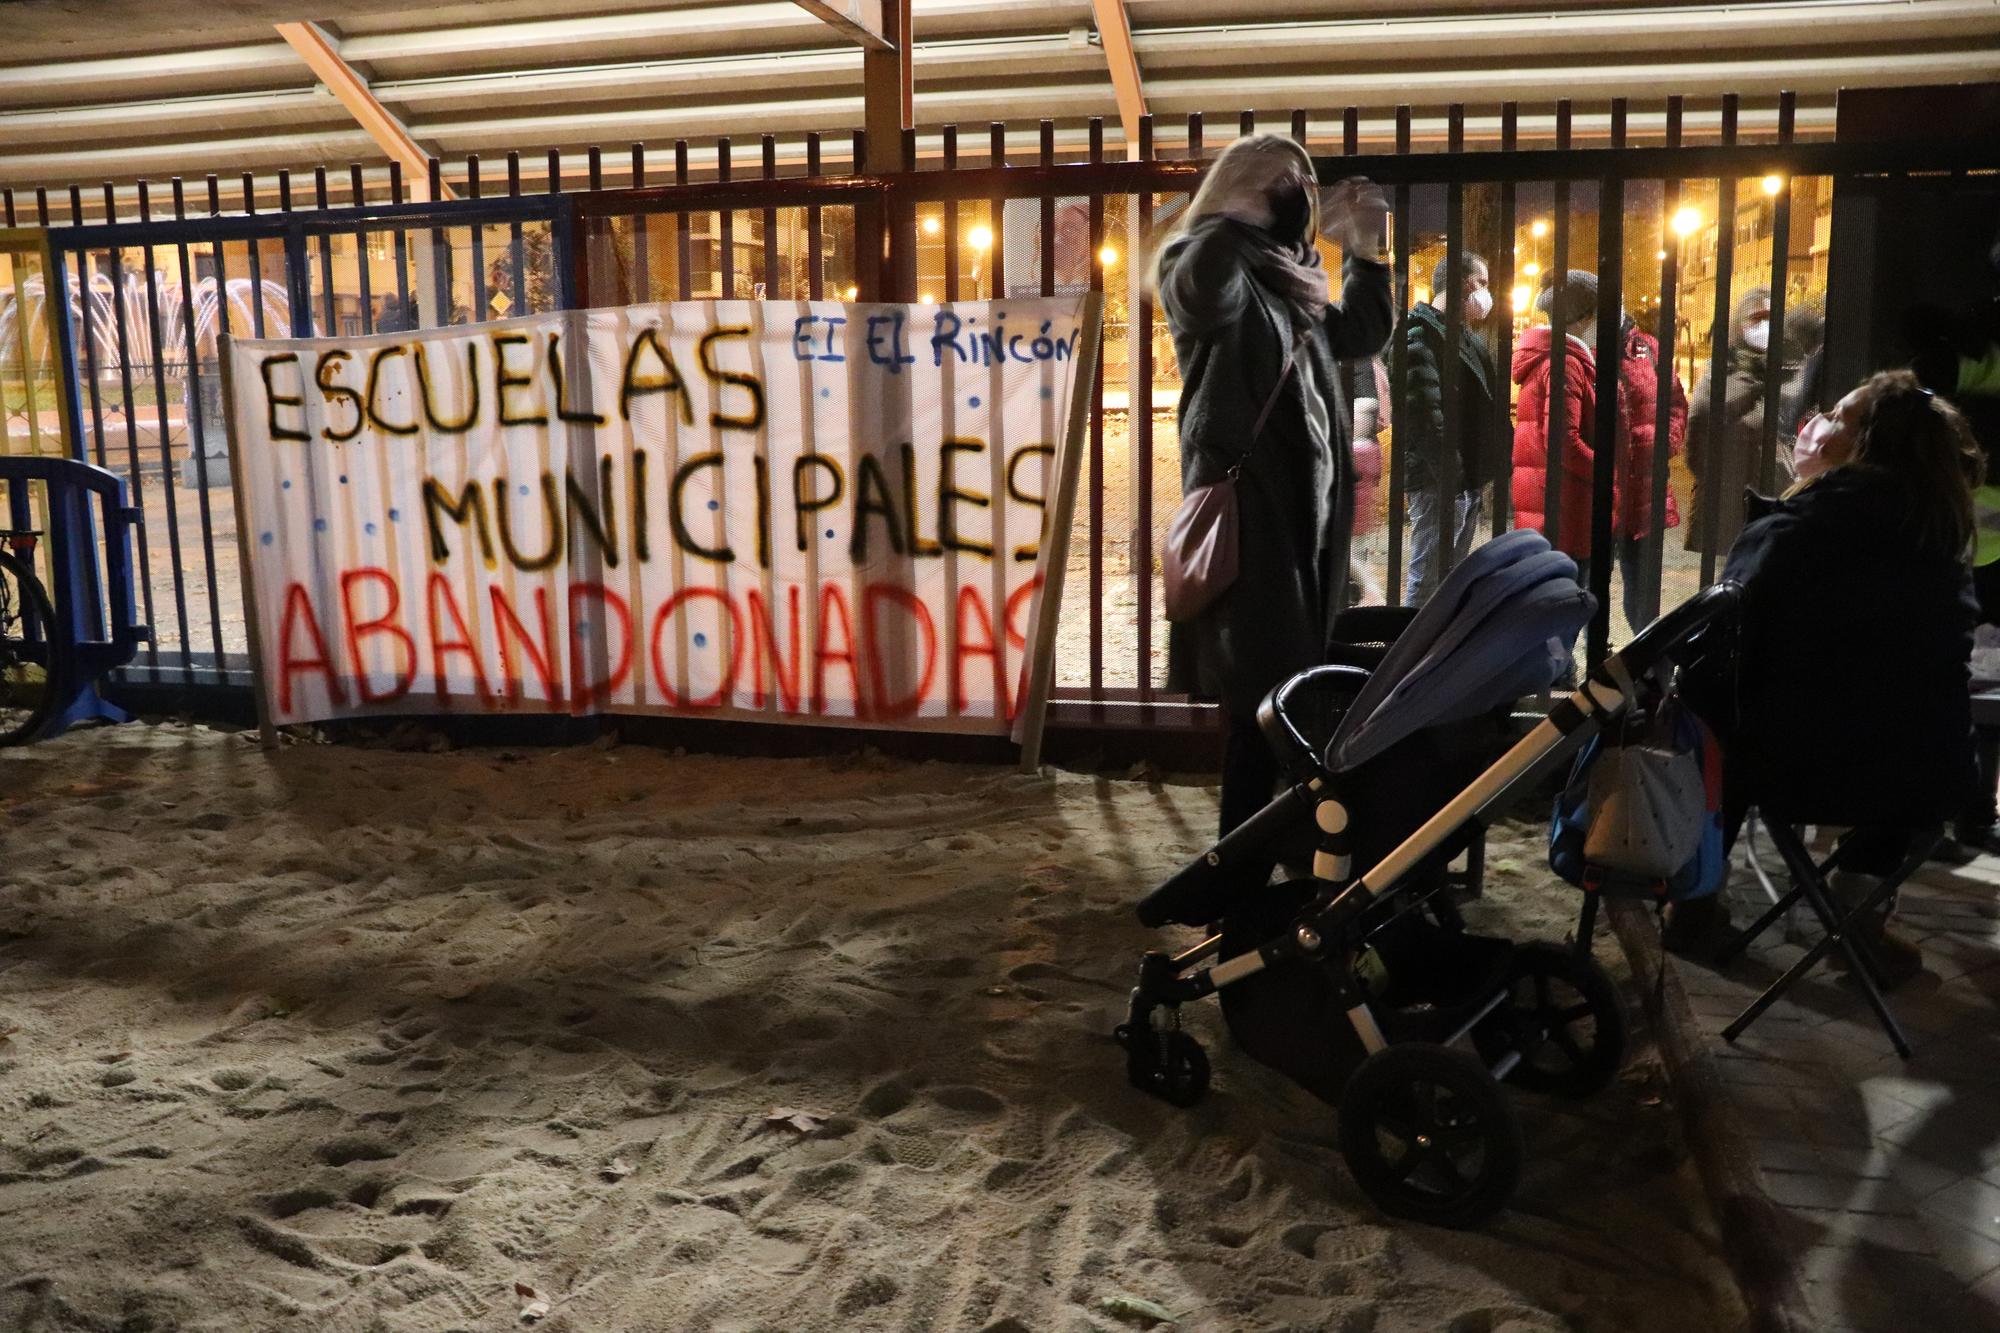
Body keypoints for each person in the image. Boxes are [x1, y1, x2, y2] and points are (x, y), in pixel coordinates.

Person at [1669, 371, 1983, 981]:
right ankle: (1858, 913)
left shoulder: (1795, 534)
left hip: (1793, 770)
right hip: (1914, 783)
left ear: (1866, 444)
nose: (1817, 423)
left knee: (1711, 726)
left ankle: (1695, 905)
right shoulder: (1941, 542)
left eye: (1837, 416)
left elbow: (1718, 662)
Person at [1156, 134, 1394, 849]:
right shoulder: (1202, 259)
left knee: (1289, 694)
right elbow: (1200, 297)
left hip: (1305, 518)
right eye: (1283, 182)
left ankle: (1274, 850)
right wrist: (1230, 219)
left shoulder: (1292, 275)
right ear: (1242, 189)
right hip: (1251, 514)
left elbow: (1363, 330)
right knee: (1258, 703)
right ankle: (1244, 866)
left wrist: (1367, 252)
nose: (1301, 196)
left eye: (1307, 183)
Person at [1398, 252, 1500, 604]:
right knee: (1427, 580)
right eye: (1483, 283)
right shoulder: (1419, 332)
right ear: (1463, 282)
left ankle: (1437, 651)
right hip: (1438, 480)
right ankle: (1407, 652)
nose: (1488, 293)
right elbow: (1423, 414)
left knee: (1449, 580)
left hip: (1464, 479)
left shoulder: (1464, 336)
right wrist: (1452, 473)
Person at [1685, 287, 1778, 562]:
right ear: (1740, 322)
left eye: (1770, 316)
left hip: (1773, 488)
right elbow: (1700, 420)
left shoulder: (1791, 364)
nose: (1763, 325)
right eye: (1756, 317)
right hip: (1726, 490)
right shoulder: (1723, 365)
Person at [1613, 306, 1689, 628]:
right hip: (1594, 487)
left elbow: (1674, 401)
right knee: (1585, 586)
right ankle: (1591, 660)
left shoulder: (1648, 349)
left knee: (1643, 588)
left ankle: (1644, 665)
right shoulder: (1577, 350)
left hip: (1644, 487)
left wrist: (1664, 444)